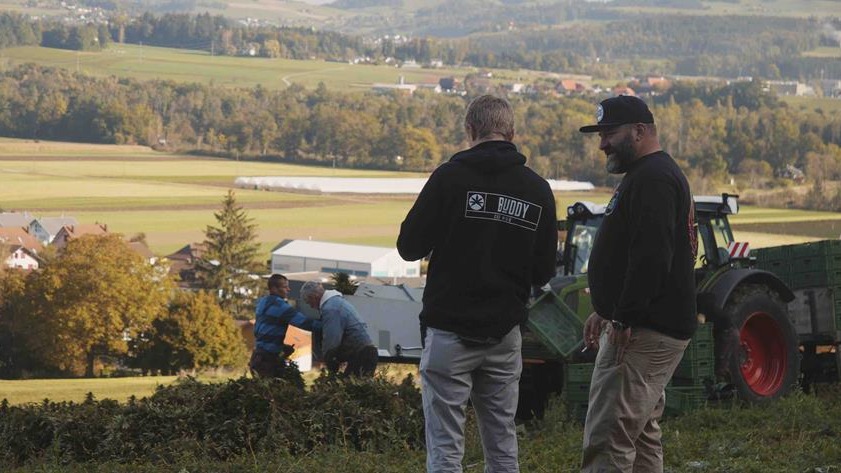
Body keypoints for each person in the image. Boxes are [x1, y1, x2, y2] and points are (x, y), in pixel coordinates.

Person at [397, 94, 558, 473]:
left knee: (445, 446)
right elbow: (544, 271)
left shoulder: (449, 178)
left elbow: (408, 247)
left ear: (470, 131)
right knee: (502, 438)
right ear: (512, 133)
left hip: (450, 331)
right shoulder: (537, 190)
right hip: (504, 333)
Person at [578, 95, 698, 473]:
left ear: (640, 131)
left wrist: (624, 317)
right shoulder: (649, 176)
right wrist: (606, 309)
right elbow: (637, 252)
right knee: (641, 434)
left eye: (610, 133)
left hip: (642, 332)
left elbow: (652, 257)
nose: (602, 143)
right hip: (647, 326)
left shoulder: (654, 179)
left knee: (609, 439)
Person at [299, 280, 378, 377]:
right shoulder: (336, 302)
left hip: (362, 354)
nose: (311, 306)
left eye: (309, 302)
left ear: (313, 297)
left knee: (349, 389)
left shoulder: (331, 309)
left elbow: (331, 339)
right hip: (365, 352)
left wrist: (328, 359)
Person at [249, 274, 321, 378]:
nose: (288, 289)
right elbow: (305, 323)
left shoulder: (262, 302)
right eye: (285, 287)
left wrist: (281, 346)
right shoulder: (280, 307)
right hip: (268, 361)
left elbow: (262, 331)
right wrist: (327, 326)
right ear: (274, 288)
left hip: (257, 357)